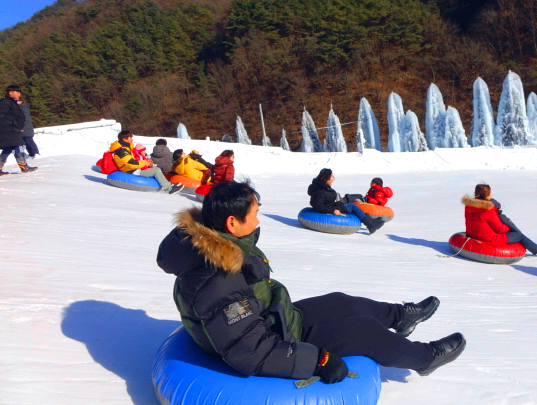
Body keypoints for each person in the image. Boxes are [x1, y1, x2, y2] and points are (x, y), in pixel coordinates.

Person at [157, 180, 466, 383]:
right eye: (253, 216)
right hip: (271, 338)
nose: (258, 222)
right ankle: (425, 358)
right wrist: (319, 359)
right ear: (231, 223)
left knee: (341, 302)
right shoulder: (218, 279)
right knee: (363, 330)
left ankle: (401, 317)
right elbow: (248, 351)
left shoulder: (221, 247)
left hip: (271, 318)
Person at [462, 183, 537, 256]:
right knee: (518, 235)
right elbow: (500, 229)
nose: (492, 194)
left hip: (473, 234)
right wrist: (509, 229)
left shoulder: (469, 205)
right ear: (487, 195)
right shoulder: (487, 210)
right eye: (490, 193)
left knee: (515, 234)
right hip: (489, 238)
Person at [308, 168, 384, 234]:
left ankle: (371, 222)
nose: (333, 179)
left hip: (332, 205)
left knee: (352, 204)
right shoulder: (320, 191)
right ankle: (371, 224)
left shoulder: (324, 187)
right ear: (326, 178)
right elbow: (318, 206)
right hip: (330, 208)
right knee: (353, 206)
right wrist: (333, 210)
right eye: (332, 177)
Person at [110, 130, 183, 194]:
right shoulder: (123, 150)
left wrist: (147, 161)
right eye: (130, 137)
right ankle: (170, 189)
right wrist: (145, 163)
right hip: (130, 171)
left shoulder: (126, 148)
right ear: (125, 139)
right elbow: (130, 163)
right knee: (156, 170)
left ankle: (168, 184)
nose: (132, 139)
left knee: (154, 168)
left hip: (133, 169)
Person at [0, 85, 37, 174]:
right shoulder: (5, 102)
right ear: (10, 92)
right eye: (17, 92)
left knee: (8, 147)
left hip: (10, 128)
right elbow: (2, 115)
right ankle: (23, 165)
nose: (19, 94)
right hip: (7, 128)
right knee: (19, 144)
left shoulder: (12, 102)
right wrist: (11, 125)